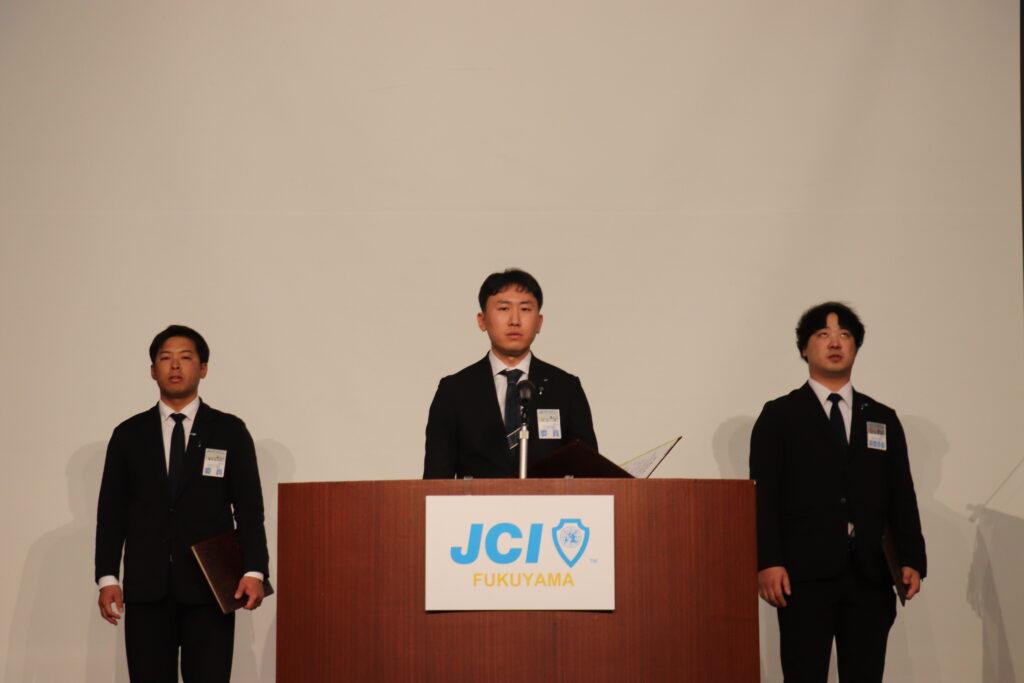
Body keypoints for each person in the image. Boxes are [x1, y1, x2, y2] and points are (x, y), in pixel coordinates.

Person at [749, 302, 927, 682]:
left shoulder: (880, 417)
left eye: (845, 335)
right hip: (803, 573)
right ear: (804, 348)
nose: (835, 343)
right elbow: (764, 496)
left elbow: (901, 493)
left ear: (856, 347)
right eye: (823, 334)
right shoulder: (780, 415)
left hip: (870, 573)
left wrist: (912, 557)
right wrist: (768, 561)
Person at [94, 325, 269, 683]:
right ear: (153, 370)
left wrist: (255, 571)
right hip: (147, 588)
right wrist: (107, 576)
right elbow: (111, 512)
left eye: (185, 357)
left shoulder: (229, 431)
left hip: (210, 587)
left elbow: (249, 508)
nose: (175, 366)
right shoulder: (129, 434)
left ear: (203, 368)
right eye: (165, 358)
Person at [423, 268, 598, 478]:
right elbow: (436, 479)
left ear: (539, 322)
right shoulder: (454, 391)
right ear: (482, 320)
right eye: (504, 308)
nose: (515, 320)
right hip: (477, 500)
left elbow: (589, 474)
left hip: (546, 500)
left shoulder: (565, 388)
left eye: (525, 309)